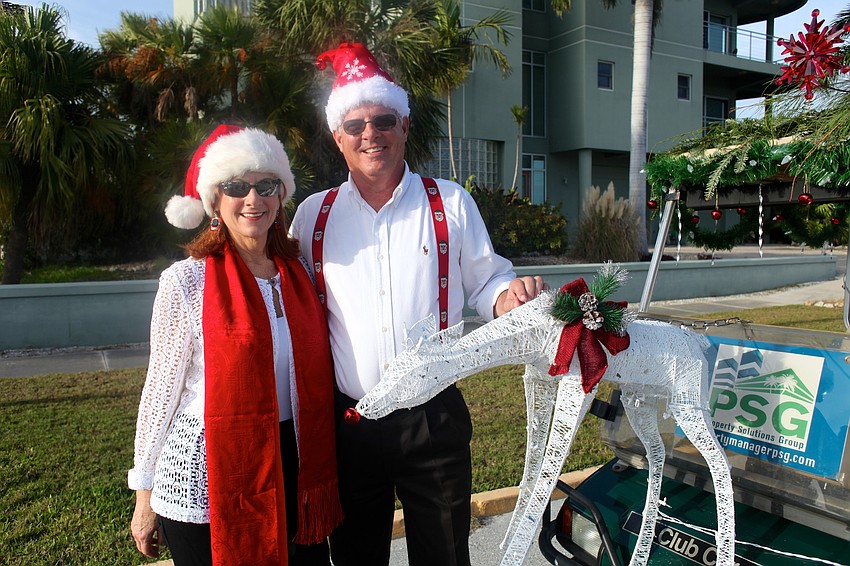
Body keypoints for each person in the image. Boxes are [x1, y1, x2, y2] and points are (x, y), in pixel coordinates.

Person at [290, 42, 546, 566]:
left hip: (433, 418)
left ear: (404, 126)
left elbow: (487, 280)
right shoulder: (313, 215)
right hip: (351, 422)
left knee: (445, 554)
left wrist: (508, 297)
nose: (371, 134)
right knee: (358, 555)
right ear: (337, 137)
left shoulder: (449, 201)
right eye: (356, 125)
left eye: (384, 120)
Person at [129, 125, 343, 566]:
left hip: (293, 463)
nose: (253, 199)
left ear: (281, 195)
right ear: (214, 201)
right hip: (205, 476)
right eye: (236, 187)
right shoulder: (186, 281)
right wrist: (144, 495)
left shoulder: (298, 271)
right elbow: (159, 393)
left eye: (266, 185)